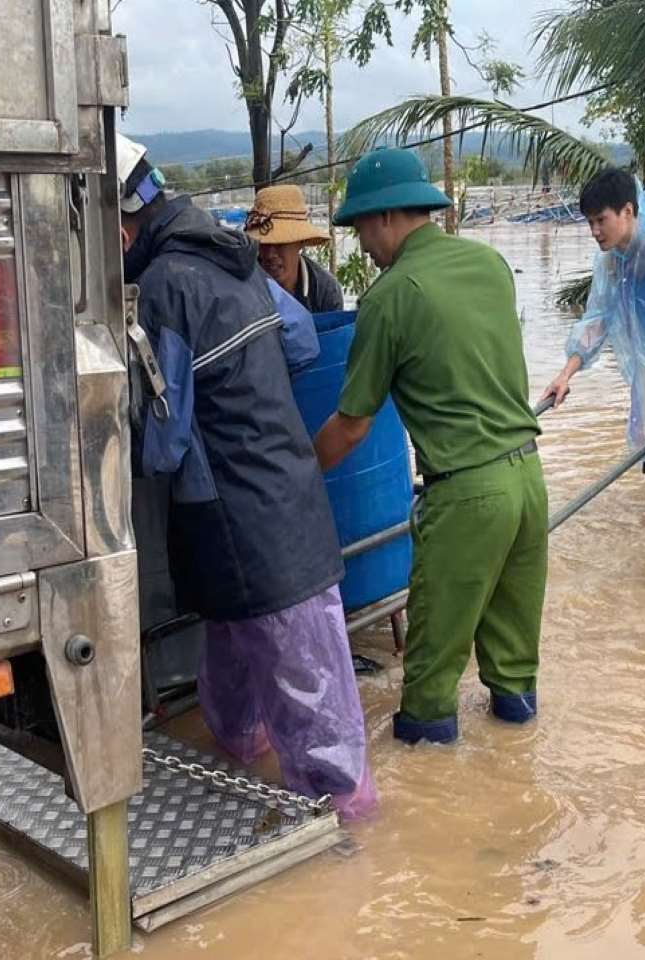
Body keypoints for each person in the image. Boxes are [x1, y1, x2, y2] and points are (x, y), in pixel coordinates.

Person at [115, 133, 376, 819]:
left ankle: (352, 844)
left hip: (242, 525)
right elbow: (300, 339)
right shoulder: (233, 256)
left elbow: (166, 443)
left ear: (118, 225)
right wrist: (246, 388)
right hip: (284, 496)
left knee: (313, 721)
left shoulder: (166, 283)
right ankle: (254, 787)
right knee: (243, 676)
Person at [314, 148, 548, 745]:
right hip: (527, 482)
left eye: (362, 227)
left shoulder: (390, 297)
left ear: (388, 217)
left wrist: (296, 473)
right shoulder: (490, 264)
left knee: (428, 684)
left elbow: (351, 425)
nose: (361, 244)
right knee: (514, 669)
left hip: (467, 495)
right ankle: (516, 782)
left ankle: (431, 811)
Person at [542, 169, 645, 515]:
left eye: (601, 220)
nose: (594, 231)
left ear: (628, 211)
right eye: (589, 223)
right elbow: (596, 320)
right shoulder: (612, 263)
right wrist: (566, 374)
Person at [246, 184, 344, 314]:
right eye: (264, 244)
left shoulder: (324, 290)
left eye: (280, 243)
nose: (270, 254)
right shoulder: (243, 285)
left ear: (300, 242)